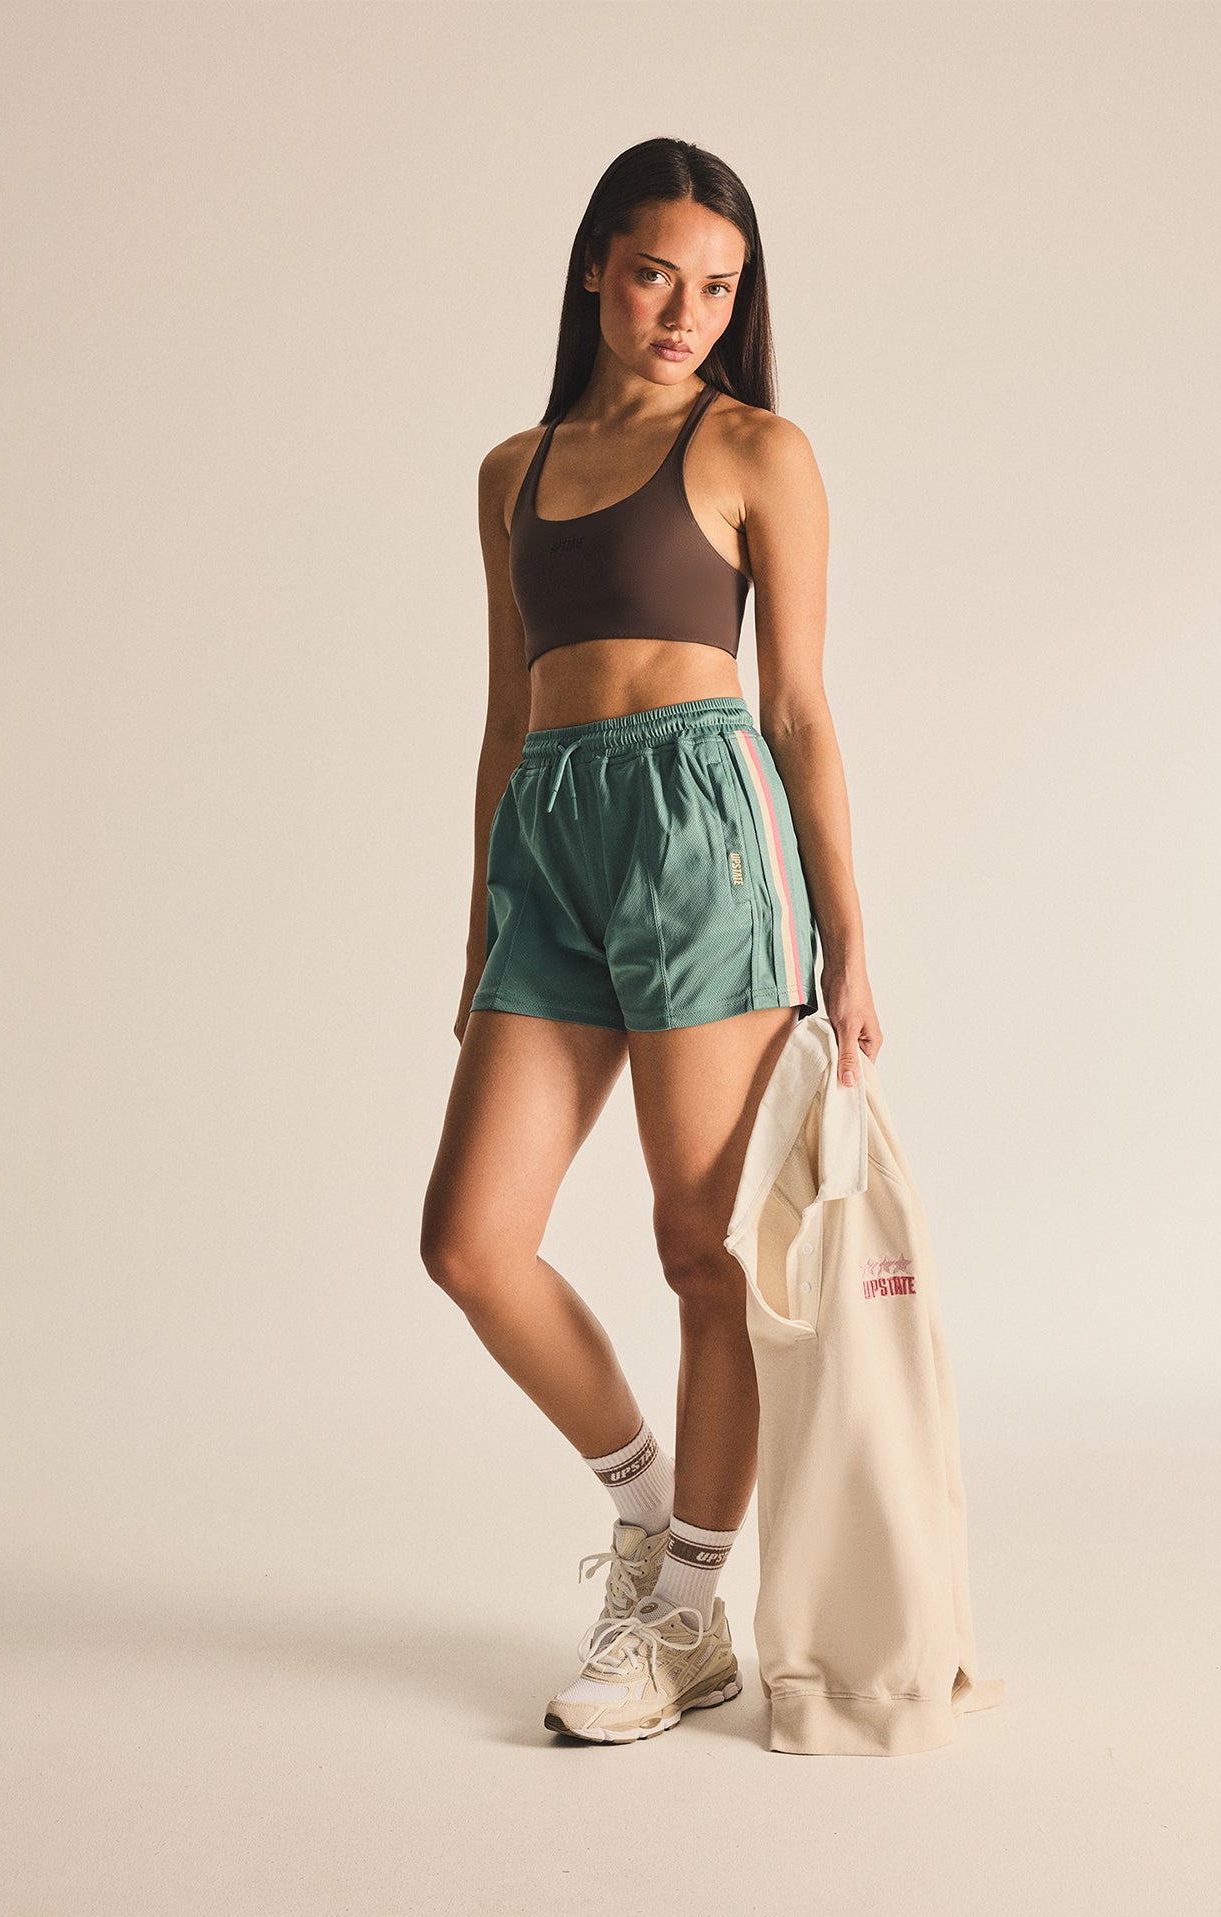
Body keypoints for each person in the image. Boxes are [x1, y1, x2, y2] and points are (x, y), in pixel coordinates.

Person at [419, 136, 882, 1744]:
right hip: (549, 842)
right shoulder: (513, 470)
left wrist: (850, 938)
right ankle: (650, 1506)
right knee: (472, 1243)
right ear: (594, 271)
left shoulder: (758, 448)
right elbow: (500, 716)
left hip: (697, 836)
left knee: (704, 1254)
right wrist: (481, 914)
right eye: (654, 274)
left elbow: (801, 710)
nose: (684, 309)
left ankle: (686, 1611)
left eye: (718, 286)